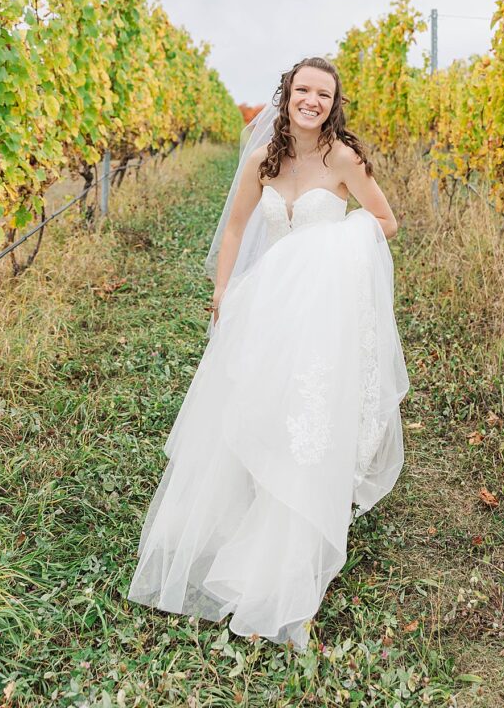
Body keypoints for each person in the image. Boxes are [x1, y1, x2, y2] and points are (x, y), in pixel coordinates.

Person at [127, 56, 410, 650]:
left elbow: (383, 221)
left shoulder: (343, 160)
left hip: (321, 311)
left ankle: (289, 545)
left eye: (324, 95)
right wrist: (224, 288)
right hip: (266, 303)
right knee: (254, 409)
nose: (313, 101)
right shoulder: (262, 160)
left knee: (303, 423)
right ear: (287, 96)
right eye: (303, 90)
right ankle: (242, 524)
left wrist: (329, 249)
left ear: (334, 104)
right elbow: (233, 230)